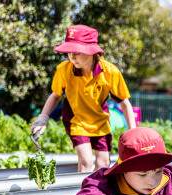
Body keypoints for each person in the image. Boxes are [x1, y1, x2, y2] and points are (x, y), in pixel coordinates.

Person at [31, 25, 137, 172]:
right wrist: (43, 118)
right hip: (77, 120)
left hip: (100, 121)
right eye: (69, 52)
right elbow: (55, 95)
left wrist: (133, 132)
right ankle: (83, 194)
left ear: (91, 52)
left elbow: (124, 102)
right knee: (86, 162)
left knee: (103, 164)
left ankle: (98, 194)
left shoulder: (110, 72)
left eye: (77, 52)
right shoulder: (64, 69)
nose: (72, 57)